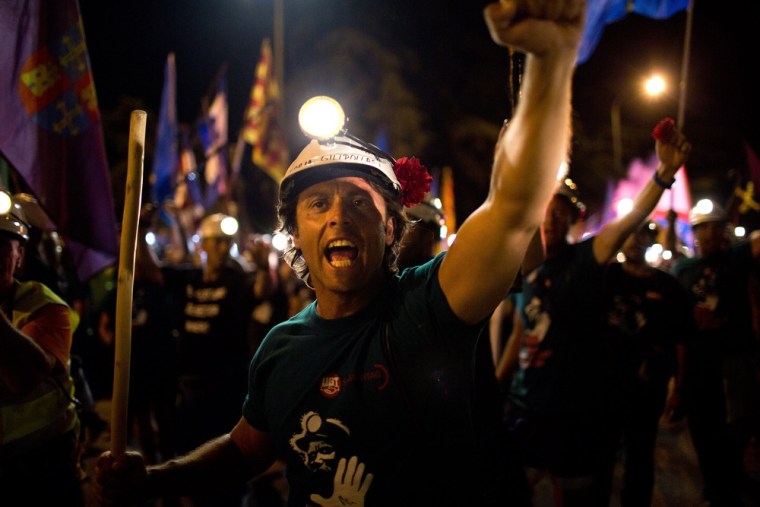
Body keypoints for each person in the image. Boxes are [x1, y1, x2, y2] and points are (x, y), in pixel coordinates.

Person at [95, 1, 586, 505]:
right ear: (294, 235)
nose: (338, 216)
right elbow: (245, 453)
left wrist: (551, 61)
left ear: (392, 227)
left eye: (358, 201)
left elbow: (515, 206)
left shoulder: (431, 306)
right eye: (317, 203)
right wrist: (155, 479)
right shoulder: (280, 348)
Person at [502, 122, 691, 505]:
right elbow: (522, 329)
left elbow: (628, 222)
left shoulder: (587, 258)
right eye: (545, 211)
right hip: (526, 408)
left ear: (573, 219)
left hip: (573, 410)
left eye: (560, 212)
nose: (551, 220)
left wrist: (664, 174)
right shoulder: (523, 267)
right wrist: (495, 385)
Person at [670, 200, 760, 506]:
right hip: (698, 366)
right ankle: (715, 487)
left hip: (734, 363)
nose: (709, 233)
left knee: (738, 426)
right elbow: (676, 324)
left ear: (723, 230)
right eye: (702, 227)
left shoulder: (736, 258)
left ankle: (730, 483)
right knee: (703, 431)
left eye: (714, 226)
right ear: (694, 232)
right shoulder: (681, 270)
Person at [0, 192, 84, 505]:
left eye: (2, 247)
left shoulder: (43, 304)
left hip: (40, 475)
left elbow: (25, 377)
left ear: (19, 256)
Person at [603, 221, 692, 507]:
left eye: (642, 233)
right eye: (629, 232)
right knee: (602, 456)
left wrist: (678, 388)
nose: (634, 239)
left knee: (640, 458)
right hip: (607, 388)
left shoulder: (668, 286)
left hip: (648, 389)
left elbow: (682, 340)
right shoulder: (604, 278)